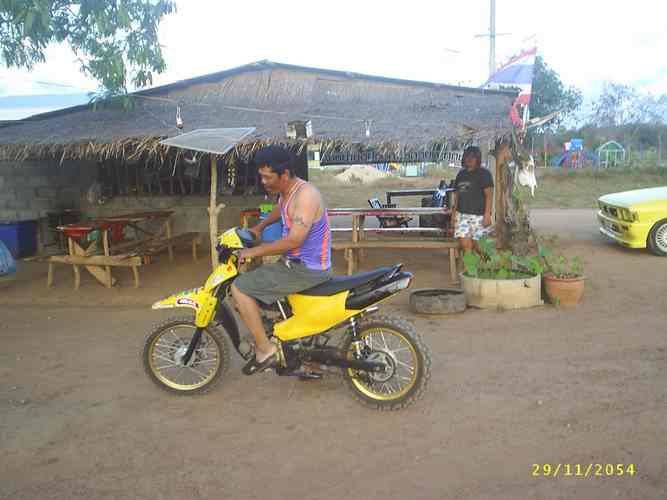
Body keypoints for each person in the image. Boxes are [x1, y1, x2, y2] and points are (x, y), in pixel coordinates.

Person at [231, 145, 332, 375]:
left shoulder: (306, 196)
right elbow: (281, 209)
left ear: (284, 174)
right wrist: (259, 228)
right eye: (261, 176)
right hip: (294, 264)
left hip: (306, 269)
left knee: (240, 288)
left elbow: (294, 240)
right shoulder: (288, 192)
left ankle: (265, 350)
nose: (263, 182)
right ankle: (300, 354)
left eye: (267, 177)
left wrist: (254, 252)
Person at [451, 146, 494, 253]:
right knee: (465, 244)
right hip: (462, 215)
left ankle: (483, 263)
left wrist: (487, 214)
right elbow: (457, 195)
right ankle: (470, 263)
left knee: (480, 246)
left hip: (479, 215)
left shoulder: (484, 174)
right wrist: (454, 213)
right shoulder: (461, 174)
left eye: (473, 157)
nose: (469, 159)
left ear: (478, 158)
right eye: (467, 156)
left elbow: (489, 195)